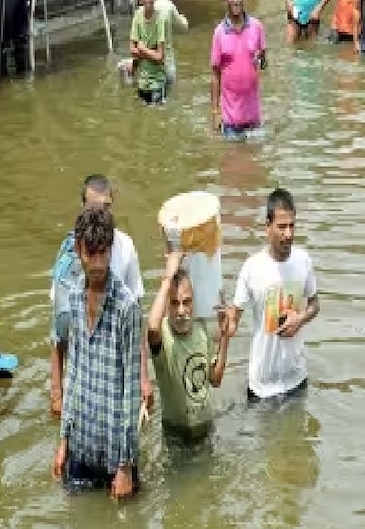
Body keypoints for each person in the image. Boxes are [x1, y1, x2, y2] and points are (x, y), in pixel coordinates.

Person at [52, 206, 142, 497]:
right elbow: (74, 372)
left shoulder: (127, 307)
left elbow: (131, 391)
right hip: (81, 443)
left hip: (115, 453)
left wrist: (126, 466)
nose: (98, 263)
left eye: (104, 253)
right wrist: (63, 440)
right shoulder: (75, 296)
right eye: (92, 253)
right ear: (79, 250)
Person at [49, 175, 151, 418]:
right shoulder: (69, 255)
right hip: (81, 374)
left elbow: (137, 317)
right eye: (93, 207)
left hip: (115, 366)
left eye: (105, 207)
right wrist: (56, 392)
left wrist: (144, 378)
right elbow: (57, 330)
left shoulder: (125, 247)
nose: (100, 214)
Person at [227, 189, 319, 402]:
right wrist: (224, 326)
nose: (288, 234)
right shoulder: (252, 268)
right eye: (281, 227)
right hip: (261, 385)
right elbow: (233, 322)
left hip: (297, 379)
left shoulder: (303, 261)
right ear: (267, 227)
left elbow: (315, 304)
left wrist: (301, 318)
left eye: (292, 226)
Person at [147, 247, 232, 439]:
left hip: (206, 429)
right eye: (175, 303)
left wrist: (225, 335)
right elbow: (151, 327)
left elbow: (215, 380)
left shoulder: (201, 329)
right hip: (177, 434)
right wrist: (167, 277)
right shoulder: (163, 336)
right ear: (167, 305)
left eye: (187, 302)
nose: (181, 310)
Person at [210, 0, 267, 140]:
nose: (236, 1)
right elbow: (215, 74)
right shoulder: (219, 33)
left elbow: (263, 63)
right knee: (232, 162)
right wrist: (215, 112)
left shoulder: (257, 27)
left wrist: (262, 59)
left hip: (254, 117)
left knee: (256, 162)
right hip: (230, 120)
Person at [129, 0, 168, 104]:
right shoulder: (137, 16)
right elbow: (132, 50)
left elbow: (160, 56)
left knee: (156, 118)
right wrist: (149, 51)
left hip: (157, 82)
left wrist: (142, 49)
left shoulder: (160, 18)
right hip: (142, 81)